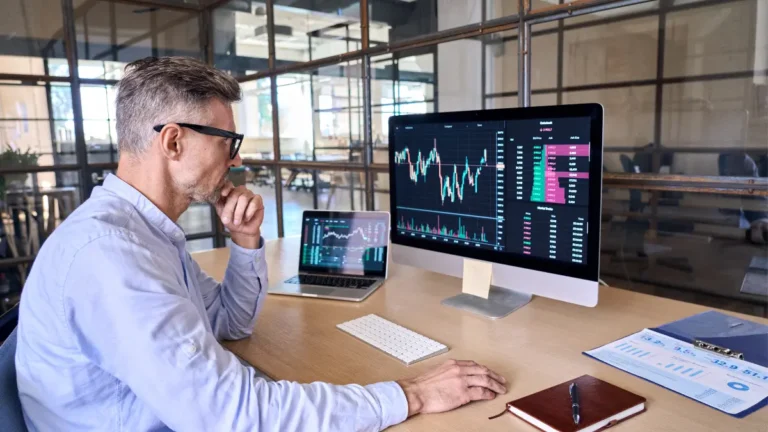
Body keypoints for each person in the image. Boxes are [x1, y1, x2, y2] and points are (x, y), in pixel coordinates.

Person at [15, 57, 507, 431]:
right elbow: (236, 414)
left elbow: (228, 324)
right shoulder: (112, 257)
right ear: (173, 142)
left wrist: (246, 244)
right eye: (227, 141)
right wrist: (410, 394)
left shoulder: (146, 235)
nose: (233, 159)